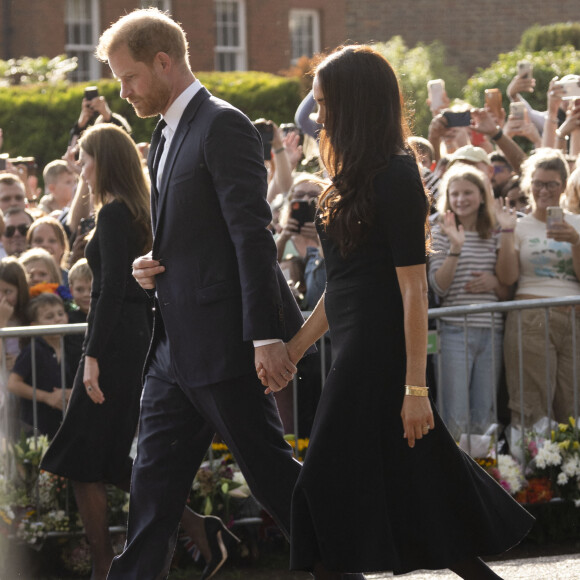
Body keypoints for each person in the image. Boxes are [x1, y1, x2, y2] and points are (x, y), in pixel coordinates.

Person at [260, 45, 533, 580]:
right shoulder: (343, 183)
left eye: (323, 102)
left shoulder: (397, 176)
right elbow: (339, 291)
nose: (317, 115)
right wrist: (294, 350)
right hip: (355, 354)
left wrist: (415, 390)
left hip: (384, 360)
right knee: (417, 496)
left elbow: (413, 291)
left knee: (323, 489)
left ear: (355, 102)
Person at [94, 9, 307, 579]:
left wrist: (265, 335)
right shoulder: (163, 132)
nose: (124, 91)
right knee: (152, 490)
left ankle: (344, 569)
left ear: (164, 62)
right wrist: (151, 265)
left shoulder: (223, 124)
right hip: (172, 352)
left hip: (226, 348)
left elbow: (250, 235)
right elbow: (195, 235)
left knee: (273, 479)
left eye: (129, 77)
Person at [495, 148, 580, 425]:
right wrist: (507, 231)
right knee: (530, 403)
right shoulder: (517, 226)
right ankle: (534, 467)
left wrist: (576, 242)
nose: (544, 190)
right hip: (530, 319)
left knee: (572, 402)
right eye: (538, 183)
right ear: (528, 185)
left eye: (551, 184)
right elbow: (507, 278)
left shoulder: (578, 224)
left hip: (574, 318)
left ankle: (570, 466)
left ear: (563, 186)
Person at [428, 165, 508, 438]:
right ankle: (456, 478)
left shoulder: (496, 230)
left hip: (492, 330)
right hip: (453, 332)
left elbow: (508, 287)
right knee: (455, 413)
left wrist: (496, 283)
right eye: (454, 194)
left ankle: (485, 474)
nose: (460, 199)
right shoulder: (439, 228)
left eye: (467, 193)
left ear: (482, 195)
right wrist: (456, 249)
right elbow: (438, 286)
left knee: (484, 413)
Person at [7, 292, 72, 438]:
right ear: (35, 326)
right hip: (35, 427)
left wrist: (71, 392)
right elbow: (13, 383)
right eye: (49, 317)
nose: (57, 319)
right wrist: (47, 397)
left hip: (60, 426)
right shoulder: (34, 349)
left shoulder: (70, 347)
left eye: (60, 313)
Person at [27, 216, 70, 285]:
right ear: (29, 246)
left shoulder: (72, 281)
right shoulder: (20, 280)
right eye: (38, 241)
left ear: (63, 247)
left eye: (52, 241)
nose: (45, 245)